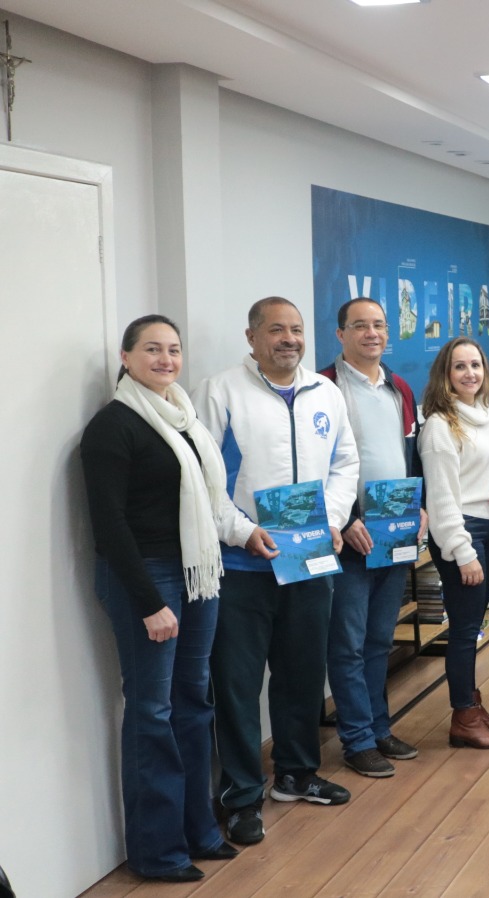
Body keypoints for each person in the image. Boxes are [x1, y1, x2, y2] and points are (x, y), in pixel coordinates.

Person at [83, 316, 248, 881]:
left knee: (193, 701)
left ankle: (199, 829)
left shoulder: (184, 419)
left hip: (197, 572)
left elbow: (213, 502)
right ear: (126, 357)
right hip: (147, 579)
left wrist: (247, 533)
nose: (165, 359)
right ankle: (157, 851)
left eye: (173, 350)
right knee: (151, 711)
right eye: (152, 349)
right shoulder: (113, 426)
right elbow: (110, 526)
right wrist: (150, 601)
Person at [195, 297, 359, 845]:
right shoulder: (221, 391)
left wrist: (332, 519)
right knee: (238, 685)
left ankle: (296, 773)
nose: (288, 339)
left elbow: (345, 463)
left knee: (302, 673)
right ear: (252, 337)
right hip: (243, 564)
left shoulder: (325, 393)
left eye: (296, 329)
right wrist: (242, 531)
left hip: (309, 559)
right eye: (275, 330)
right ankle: (242, 796)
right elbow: (204, 479)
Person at [319, 298, 424, 778]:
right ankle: (357, 739)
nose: (371, 333)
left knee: (381, 638)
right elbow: (316, 466)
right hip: (349, 536)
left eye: (379, 325)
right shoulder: (323, 387)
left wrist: (420, 506)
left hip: (393, 529)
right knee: (348, 644)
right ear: (341, 334)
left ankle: (380, 728)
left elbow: (410, 455)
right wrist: (343, 520)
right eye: (359, 325)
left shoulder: (399, 387)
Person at [420, 336, 489, 749]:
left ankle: (472, 705)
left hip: (488, 529)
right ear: (445, 374)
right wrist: (462, 552)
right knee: (463, 631)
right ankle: (463, 718)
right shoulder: (440, 426)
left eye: (475, 365)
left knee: (473, 626)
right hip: (463, 533)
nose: (469, 373)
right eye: (459, 366)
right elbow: (441, 501)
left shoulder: (483, 414)